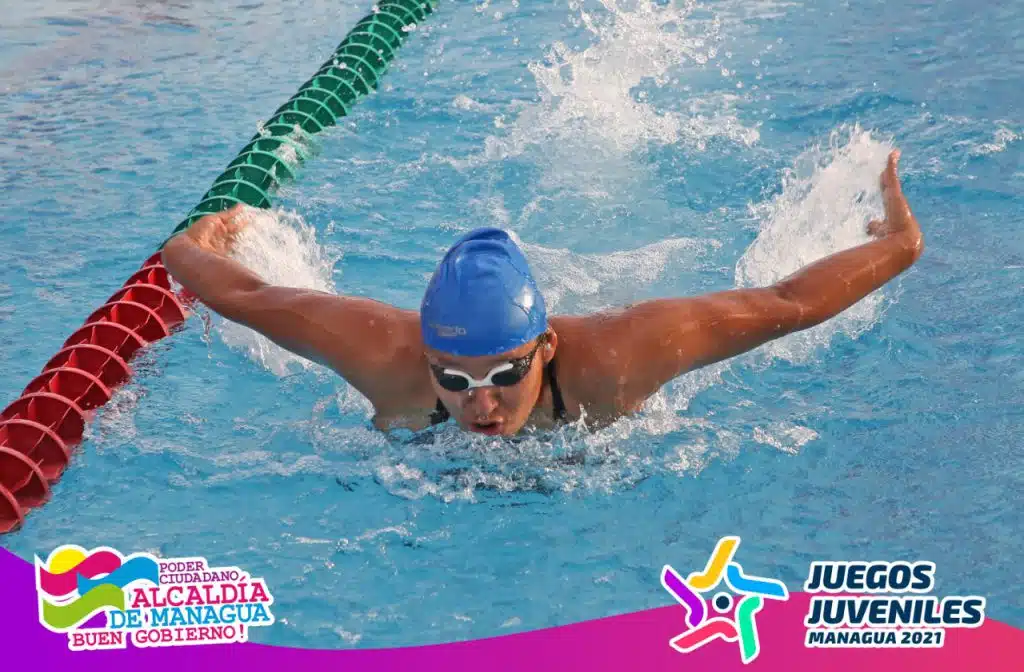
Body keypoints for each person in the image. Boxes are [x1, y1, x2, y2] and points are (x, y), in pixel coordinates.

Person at [163, 150, 924, 437]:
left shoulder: (623, 356)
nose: (479, 403)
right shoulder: (383, 357)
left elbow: (785, 304)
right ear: (426, 357)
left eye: (505, 373)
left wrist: (898, 242)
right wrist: (190, 244)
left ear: (546, 345)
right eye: (453, 378)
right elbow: (250, 298)